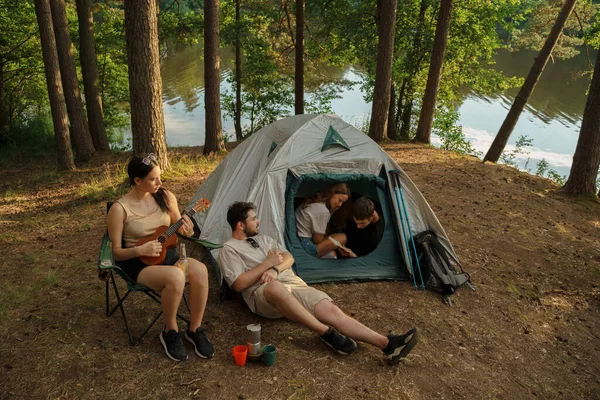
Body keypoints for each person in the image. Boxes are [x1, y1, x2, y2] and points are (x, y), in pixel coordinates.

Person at [217, 201, 419, 365]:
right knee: (274, 287)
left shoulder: (265, 240)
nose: (258, 221)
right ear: (240, 225)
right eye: (253, 219)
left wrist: (275, 268)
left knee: (330, 310)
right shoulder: (229, 249)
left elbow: (289, 258)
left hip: (291, 283)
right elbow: (238, 284)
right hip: (264, 295)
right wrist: (267, 264)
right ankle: (325, 332)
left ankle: (387, 344)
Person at [106, 153, 214, 362]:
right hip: (137, 263)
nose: (159, 182)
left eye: (159, 177)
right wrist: (139, 250)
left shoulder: (165, 197)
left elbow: (178, 228)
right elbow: (116, 252)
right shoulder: (119, 209)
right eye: (153, 179)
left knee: (200, 270)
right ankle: (170, 331)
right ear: (137, 181)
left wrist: (188, 231)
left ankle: (194, 329)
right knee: (175, 277)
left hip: (168, 256)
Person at [295, 183, 353, 258]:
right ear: (332, 193)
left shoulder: (314, 201)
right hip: (306, 246)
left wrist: (331, 211)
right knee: (342, 237)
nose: (340, 205)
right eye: (340, 200)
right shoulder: (323, 211)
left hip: (297, 240)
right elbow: (318, 240)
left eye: (342, 202)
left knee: (333, 240)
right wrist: (333, 244)